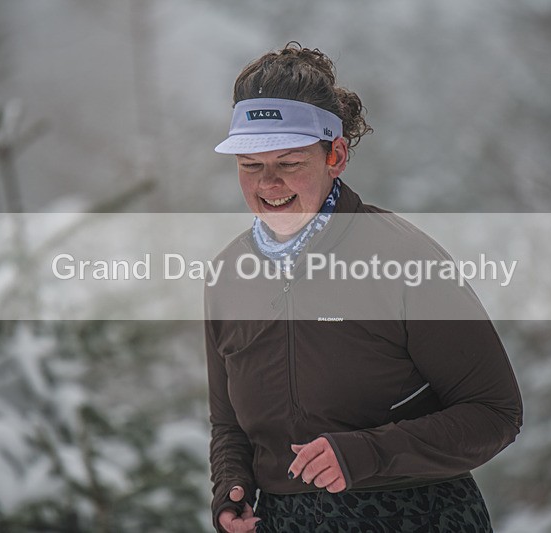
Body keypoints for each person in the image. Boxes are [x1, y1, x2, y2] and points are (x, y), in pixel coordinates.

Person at [205, 42, 522, 533]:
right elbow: (229, 425)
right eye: (251, 166)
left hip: (414, 516)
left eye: (288, 163)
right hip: (283, 522)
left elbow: (494, 413)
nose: (268, 184)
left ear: (336, 155)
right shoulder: (227, 275)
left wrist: (365, 453)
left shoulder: (403, 257)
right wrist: (232, 488)